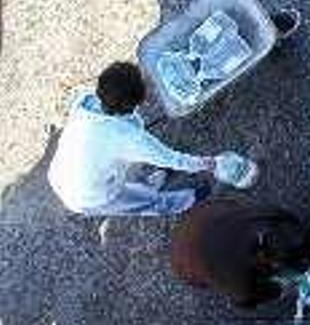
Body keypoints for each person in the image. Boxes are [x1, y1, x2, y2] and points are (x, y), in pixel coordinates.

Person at [48, 62, 218, 216]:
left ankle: (148, 184)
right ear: (130, 106)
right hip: (87, 195)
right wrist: (206, 163)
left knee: (126, 178)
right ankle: (187, 201)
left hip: (62, 172)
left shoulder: (85, 100)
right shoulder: (126, 138)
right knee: (142, 203)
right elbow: (172, 159)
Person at [170, 197, 310, 308]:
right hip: (185, 259)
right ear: (266, 260)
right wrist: (279, 289)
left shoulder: (267, 214)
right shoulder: (237, 278)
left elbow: (291, 220)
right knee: (235, 291)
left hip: (201, 216)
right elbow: (245, 301)